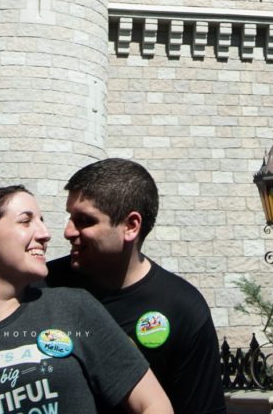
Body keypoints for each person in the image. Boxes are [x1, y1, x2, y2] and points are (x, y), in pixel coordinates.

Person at [0, 185, 173, 414]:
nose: (45, 234)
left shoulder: (74, 309)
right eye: (26, 220)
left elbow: (154, 404)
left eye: (41, 220)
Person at [48, 159, 226, 414]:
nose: (67, 231)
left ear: (131, 226)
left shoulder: (183, 309)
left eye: (84, 220)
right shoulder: (41, 287)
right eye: (70, 217)